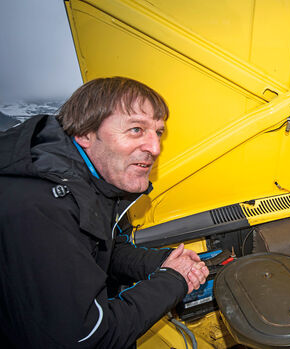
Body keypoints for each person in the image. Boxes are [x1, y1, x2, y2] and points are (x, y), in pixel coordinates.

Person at [0, 77, 210, 348]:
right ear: (85, 134)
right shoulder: (41, 209)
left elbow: (105, 249)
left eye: (157, 132)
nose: (155, 148)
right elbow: (87, 337)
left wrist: (162, 261)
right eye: (136, 129)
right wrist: (174, 279)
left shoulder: (92, 179)